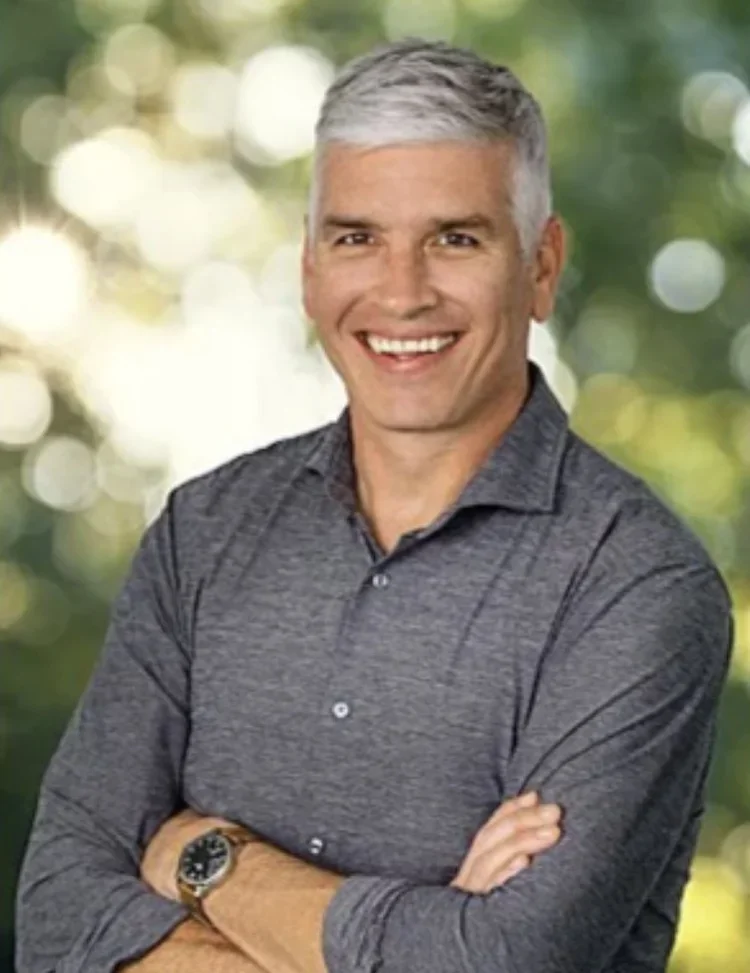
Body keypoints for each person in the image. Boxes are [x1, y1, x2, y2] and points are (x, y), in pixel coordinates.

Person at [15, 37, 733, 973]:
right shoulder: (205, 536)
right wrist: (422, 932)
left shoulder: (637, 587)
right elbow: (55, 916)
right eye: (358, 238)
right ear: (311, 267)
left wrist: (204, 861)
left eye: (455, 238)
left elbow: (505, 962)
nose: (401, 293)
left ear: (542, 266)